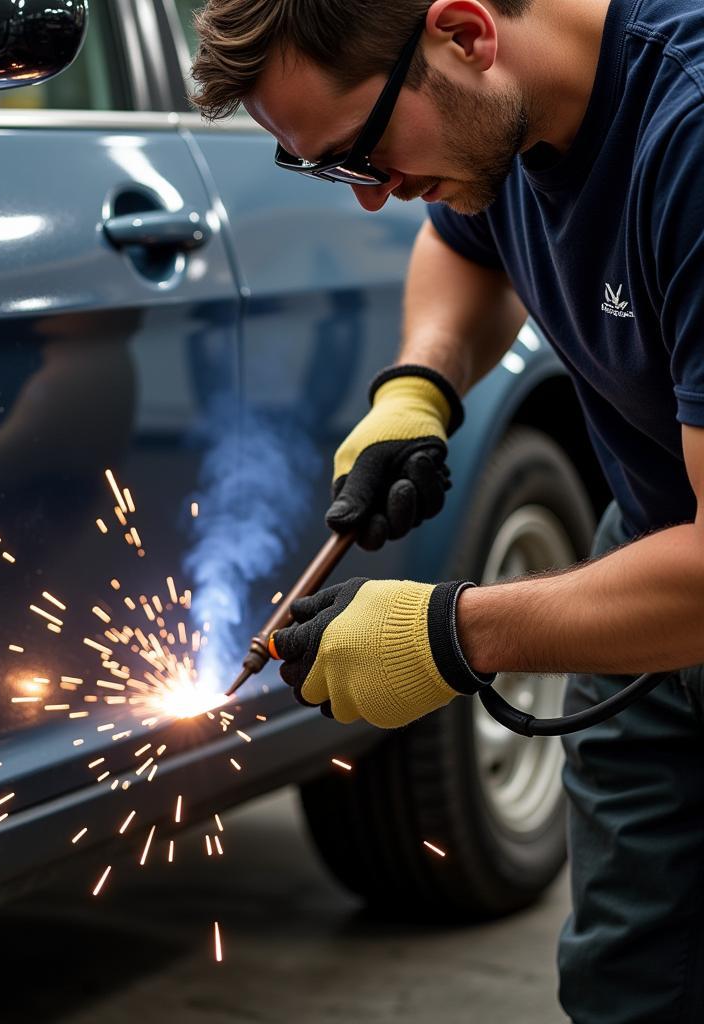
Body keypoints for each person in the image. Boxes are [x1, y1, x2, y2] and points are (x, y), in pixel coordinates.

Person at [190, 0, 704, 1021]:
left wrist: (452, 631)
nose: (374, 197)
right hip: (653, 555)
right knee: (627, 985)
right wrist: (417, 385)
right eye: (333, 169)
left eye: (365, 151)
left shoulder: (685, 139)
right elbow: (462, 247)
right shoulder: (497, 110)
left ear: (464, 31)